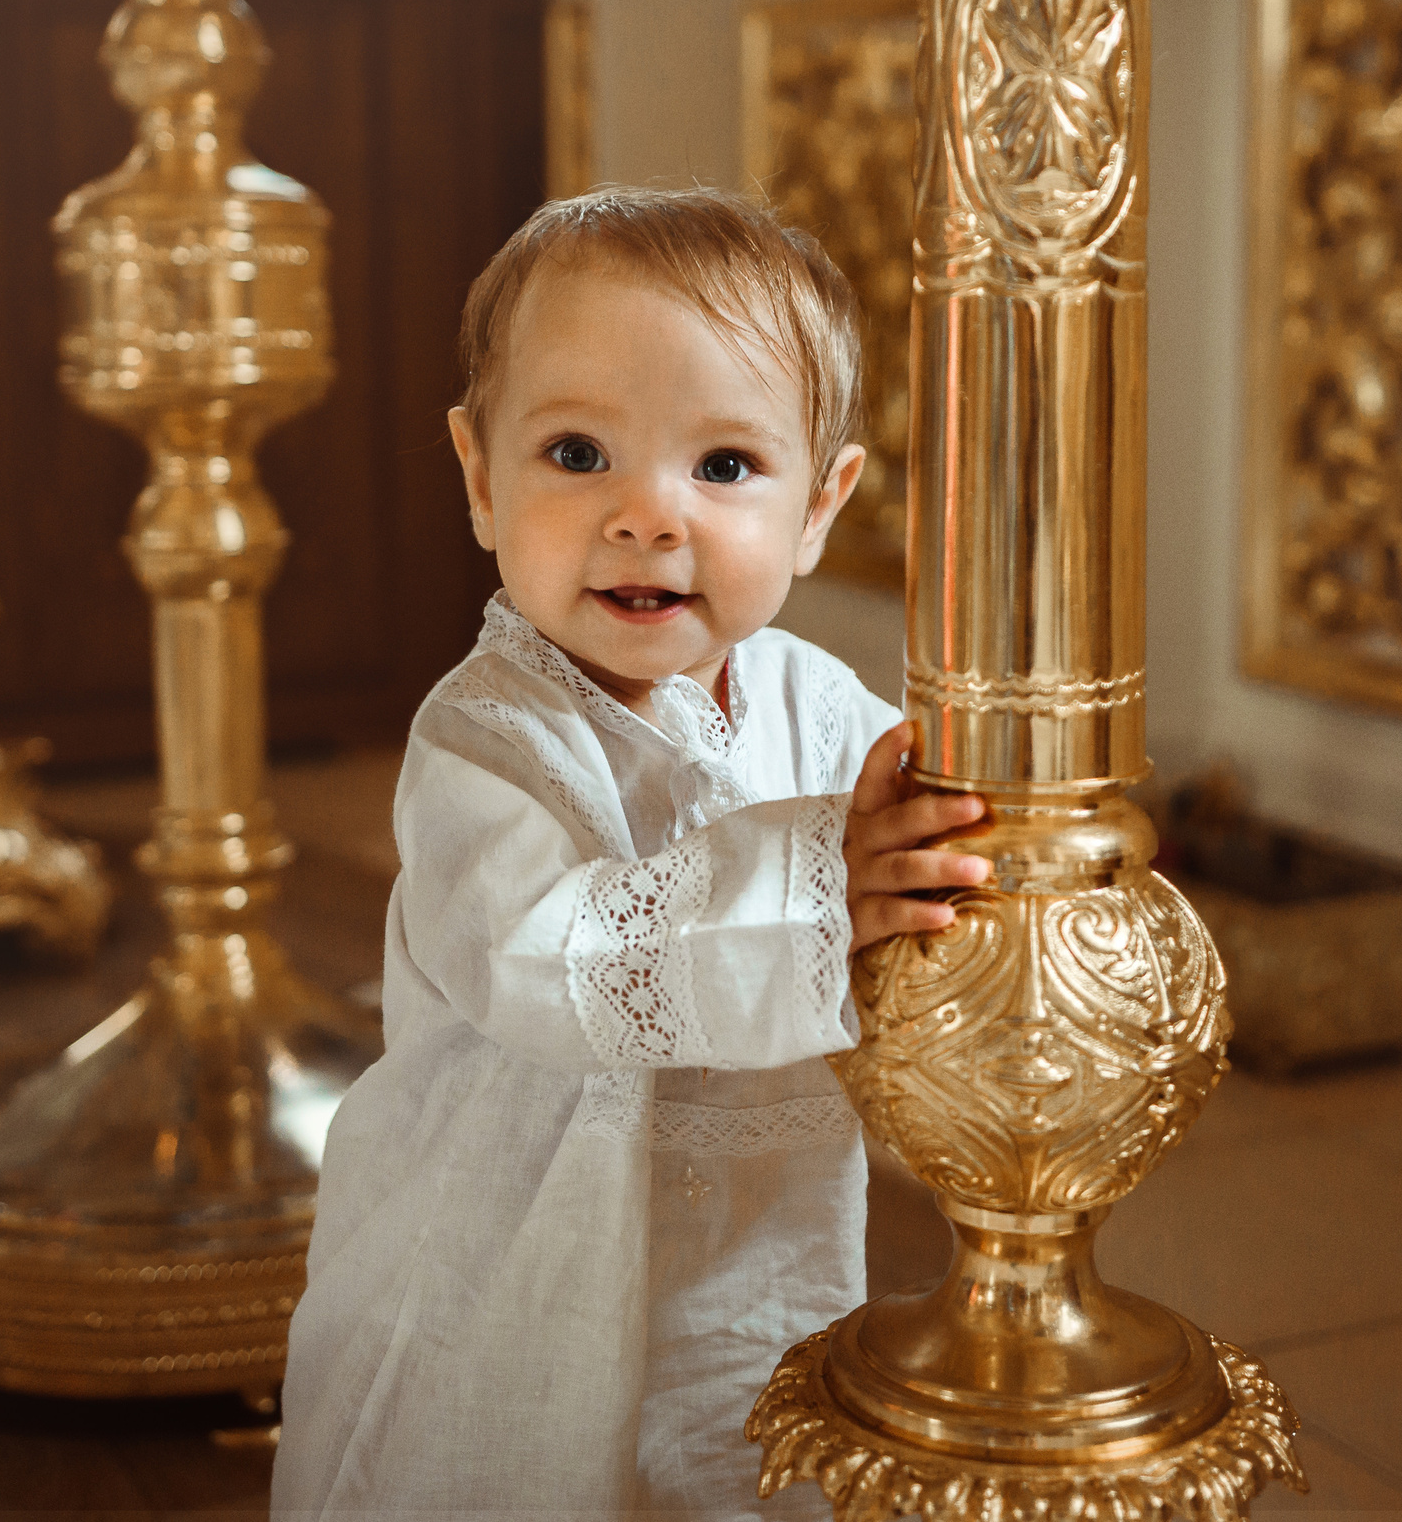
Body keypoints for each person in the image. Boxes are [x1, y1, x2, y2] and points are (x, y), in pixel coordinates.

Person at [270, 188, 991, 1519]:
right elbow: (550, 958)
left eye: (723, 468)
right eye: (578, 451)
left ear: (822, 503)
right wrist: (826, 876)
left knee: (734, 1453)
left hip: (750, 1252)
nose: (649, 515)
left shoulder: (815, 705)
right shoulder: (486, 738)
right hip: (503, 1263)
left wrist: (973, 835)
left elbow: (917, 829)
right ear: (481, 474)